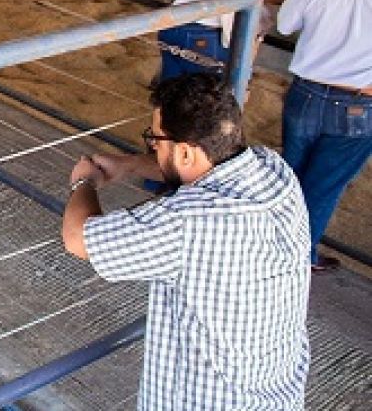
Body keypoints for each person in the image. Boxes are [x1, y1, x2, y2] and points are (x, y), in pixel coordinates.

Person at [62, 73, 310, 410]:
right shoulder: (273, 170)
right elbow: (201, 173)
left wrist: (83, 184)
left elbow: (79, 239)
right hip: (275, 394)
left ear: (185, 153)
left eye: (156, 142)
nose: (152, 147)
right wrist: (131, 165)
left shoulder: (187, 222)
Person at [277, 0, 372, 273]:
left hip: (306, 96)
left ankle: (268, 249)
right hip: (359, 105)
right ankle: (298, 263)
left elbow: (286, 25)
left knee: (291, 177)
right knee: (323, 188)